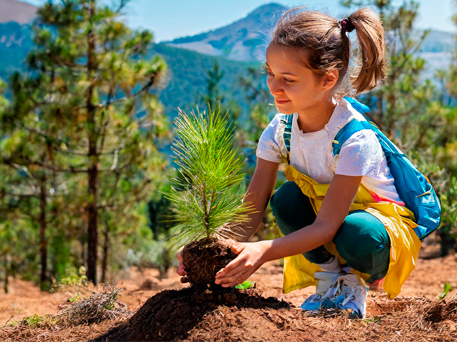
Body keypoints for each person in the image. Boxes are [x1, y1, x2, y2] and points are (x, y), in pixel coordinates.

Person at [177, 7, 423, 319]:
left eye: (288, 79)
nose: (273, 87)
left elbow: (326, 226)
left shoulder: (352, 139)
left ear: (327, 79)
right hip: (331, 221)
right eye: (270, 73)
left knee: (356, 232)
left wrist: (263, 251)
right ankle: (331, 278)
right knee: (286, 199)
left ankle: (356, 283)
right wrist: (207, 247)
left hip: (377, 235)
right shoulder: (280, 130)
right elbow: (252, 210)